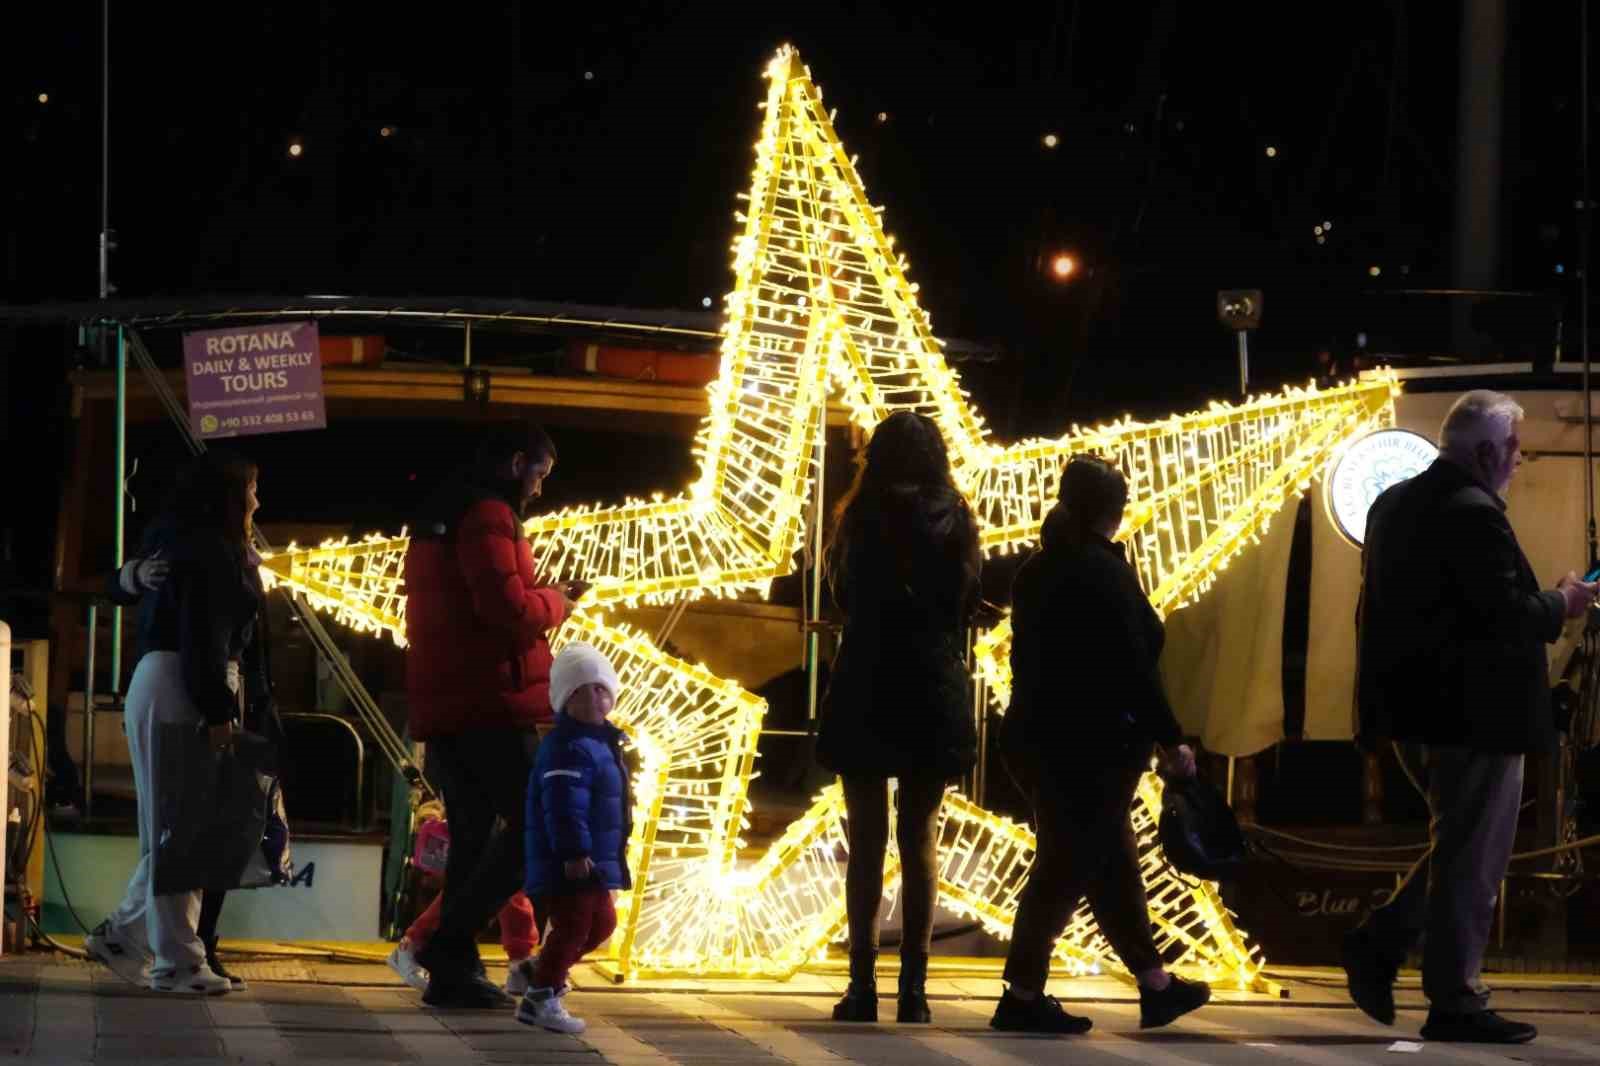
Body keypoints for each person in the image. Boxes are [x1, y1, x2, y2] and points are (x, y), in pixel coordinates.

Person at [1343, 390, 1597, 1045]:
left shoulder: (1393, 503)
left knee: (1458, 847)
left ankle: (1385, 942)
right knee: (1474, 860)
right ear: (1486, 451)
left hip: (1410, 713)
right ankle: (1453, 996)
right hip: (1476, 716)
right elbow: (1504, 614)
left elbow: (1378, 615)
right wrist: (1563, 602)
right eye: (1514, 448)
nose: (1519, 459)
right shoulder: (1474, 512)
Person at [991, 455, 1210, 1035]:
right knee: (1065, 866)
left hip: (1041, 739)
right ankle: (1021, 994)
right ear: (1112, 510)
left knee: (1108, 863)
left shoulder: (1040, 567)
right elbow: (1133, 666)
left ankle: (1155, 985)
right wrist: (1170, 739)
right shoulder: (1103, 571)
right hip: (1092, 746)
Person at [404, 421, 586, 1008]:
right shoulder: (487, 515)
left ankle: (453, 972)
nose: (539, 489)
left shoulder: (442, 512)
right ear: (515, 463)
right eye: (539, 474)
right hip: (490, 703)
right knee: (541, 829)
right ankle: (447, 941)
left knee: (475, 839)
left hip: (451, 702)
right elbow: (506, 609)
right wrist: (559, 600)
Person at [814, 410, 981, 1025]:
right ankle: (915, 989)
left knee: (866, 842)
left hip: (866, 682)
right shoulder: (956, 519)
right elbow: (965, 599)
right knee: (919, 839)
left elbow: (842, 594)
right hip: (931, 686)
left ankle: (861, 986)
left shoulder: (858, 517)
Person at [84, 450, 262, 995]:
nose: (259, 500)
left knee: (177, 826)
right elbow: (205, 635)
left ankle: (131, 939)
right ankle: (177, 960)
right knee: (181, 828)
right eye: (253, 490)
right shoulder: (209, 549)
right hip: (183, 683)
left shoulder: (193, 539)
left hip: (168, 680)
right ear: (230, 499)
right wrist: (217, 710)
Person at [516, 642, 630, 1034]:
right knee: (575, 925)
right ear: (566, 700)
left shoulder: (601, 743)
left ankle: (539, 969)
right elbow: (563, 805)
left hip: (593, 858)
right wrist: (574, 851)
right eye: (582, 691)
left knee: (603, 923)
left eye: (601, 689)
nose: (595, 698)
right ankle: (540, 997)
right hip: (569, 859)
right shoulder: (568, 746)